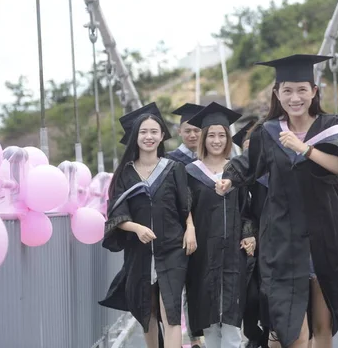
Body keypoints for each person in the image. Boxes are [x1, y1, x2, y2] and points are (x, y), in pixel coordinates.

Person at [216, 54, 338, 348]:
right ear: (277, 94)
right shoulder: (268, 132)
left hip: (324, 234)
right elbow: (248, 163)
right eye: (287, 91)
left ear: (314, 92)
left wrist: (305, 149)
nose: (295, 98)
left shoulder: (332, 127)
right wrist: (229, 178)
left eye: (301, 90)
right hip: (282, 239)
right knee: (291, 325)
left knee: (323, 323)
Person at [99, 103, 198, 348]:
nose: (149, 137)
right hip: (139, 251)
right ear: (135, 136)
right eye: (143, 132)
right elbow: (116, 212)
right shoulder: (124, 173)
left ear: (162, 135)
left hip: (172, 247)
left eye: (154, 131)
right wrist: (136, 228)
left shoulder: (174, 168)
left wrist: (191, 229)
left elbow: (185, 204)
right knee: (147, 310)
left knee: (171, 310)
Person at [183, 101, 257, 348]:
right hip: (203, 254)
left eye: (222, 135)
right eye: (211, 135)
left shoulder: (237, 171)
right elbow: (182, 208)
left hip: (234, 255)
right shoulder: (190, 172)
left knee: (232, 325)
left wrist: (249, 234)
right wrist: (190, 228)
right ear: (203, 138)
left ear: (228, 138)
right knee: (210, 323)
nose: (216, 140)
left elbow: (247, 210)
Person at [166, 102, 205, 348]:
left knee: (199, 284)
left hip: (207, 231)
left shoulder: (212, 158)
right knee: (175, 287)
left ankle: (197, 337)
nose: (192, 134)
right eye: (188, 130)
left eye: (197, 130)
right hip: (176, 233)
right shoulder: (169, 161)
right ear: (179, 131)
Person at [231, 121, 270, 348]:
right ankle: (254, 336)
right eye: (247, 145)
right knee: (251, 296)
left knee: (265, 295)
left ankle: (264, 337)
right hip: (246, 248)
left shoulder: (271, 174)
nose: (251, 149)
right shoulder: (237, 176)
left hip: (270, 245)